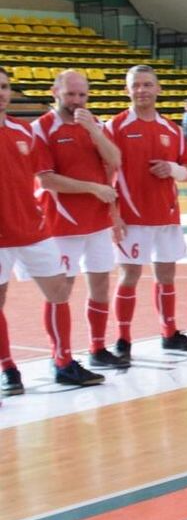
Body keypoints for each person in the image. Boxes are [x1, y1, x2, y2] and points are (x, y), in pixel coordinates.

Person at [0, 66, 102, 391]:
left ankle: (63, 361)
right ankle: (8, 368)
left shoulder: (23, 131)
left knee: (59, 292)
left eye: (4, 87)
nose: (1, 93)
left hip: (33, 229)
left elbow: (36, 177)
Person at [104, 65, 187, 357]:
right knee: (129, 275)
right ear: (127, 90)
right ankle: (123, 339)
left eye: (147, 84)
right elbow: (104, 174)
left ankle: (169, 333)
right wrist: (113, 216)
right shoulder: (115, 127)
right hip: (132, 217)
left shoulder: (172, 129)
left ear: (158, 88)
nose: (142, 90)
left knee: (166, 275)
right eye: (136, 85)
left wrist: (171, 168)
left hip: (166, 216)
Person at [33, 70, 127, 372]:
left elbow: (115, 160)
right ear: (55, 92)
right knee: (61, 290)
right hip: (61, 223)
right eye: (70, 94)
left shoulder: (95, 123)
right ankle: (60, 356)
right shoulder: (42, 128)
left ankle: (97, 347)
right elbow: (47, 180)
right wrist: (92, 188)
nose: (76, 100)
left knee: (100, 282)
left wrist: (95, 133)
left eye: (82, 95)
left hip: (97, 221)